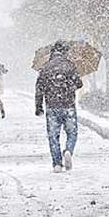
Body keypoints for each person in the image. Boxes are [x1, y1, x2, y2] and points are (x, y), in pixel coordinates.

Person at [35, 40, 83, 173]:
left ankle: (57, 163)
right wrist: (70, 84)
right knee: (72, 133)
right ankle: (68, 150)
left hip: (52, 106)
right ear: (64, 51)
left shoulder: (45, 68)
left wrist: (38, 107)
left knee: (53, 136)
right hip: (68, 105)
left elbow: (39, 89)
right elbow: (79, 84)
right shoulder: (70, 66)